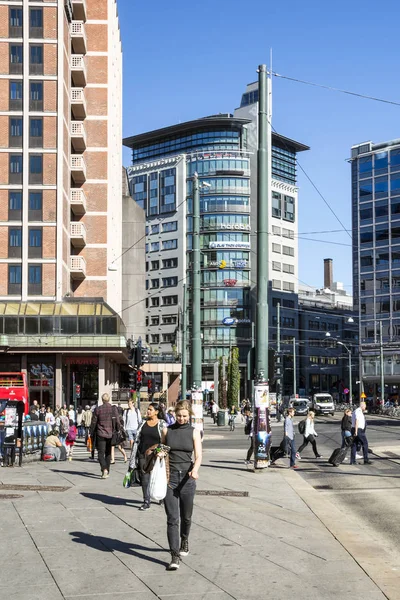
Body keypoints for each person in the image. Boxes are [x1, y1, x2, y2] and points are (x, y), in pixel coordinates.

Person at [161, 400, 202, 571]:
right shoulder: (166, 431)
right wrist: (158, 453)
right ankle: (174, 556)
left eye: (184, 416)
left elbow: (198, 455)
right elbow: (162, 450)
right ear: (174, 414)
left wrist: (195, 470)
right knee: (172, 519)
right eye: (178, 416)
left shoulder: (194, 432)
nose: (181, 418)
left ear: (189, 415)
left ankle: (184, 539)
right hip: (169, 479)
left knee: (186, 517)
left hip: (187, 479)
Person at [128, 402, 166, 510]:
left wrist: (158, 451)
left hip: (156, 456)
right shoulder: (143, 423)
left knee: (157, 477)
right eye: (148, 409)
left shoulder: (162, 423)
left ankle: (161, 497)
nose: (148, 411)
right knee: (145, 478)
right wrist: (134, 456)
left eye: (150, 409)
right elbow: (137, 440)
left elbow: (164, 441)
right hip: (142, 455)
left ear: (157, 412)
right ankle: (146, 500)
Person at [90, 393, 120, 478]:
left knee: (100, 453)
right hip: (110, 433)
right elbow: (117, 421)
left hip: (101, 433)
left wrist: (91, 431)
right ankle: (107, 470)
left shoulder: (98, 409)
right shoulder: (113, 409)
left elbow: (94, 422)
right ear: (109, 399)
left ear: (102, 400)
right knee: (108, 453)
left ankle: (104, 469)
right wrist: (118, 430)